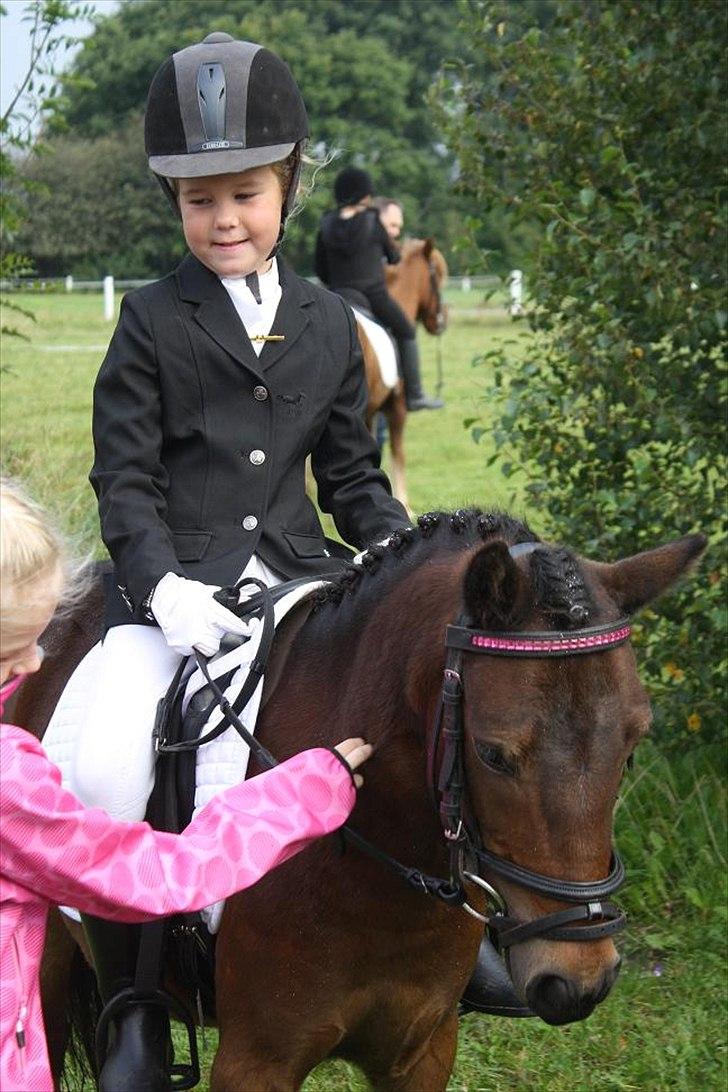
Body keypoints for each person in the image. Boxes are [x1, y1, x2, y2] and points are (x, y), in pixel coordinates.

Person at [49, 30, 411, 1088]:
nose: (223, 220)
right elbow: (124, 480)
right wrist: (162, 589)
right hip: (170, 582)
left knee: (396, 715)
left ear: (286, 190)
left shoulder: (328, 321)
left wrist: (391, 559)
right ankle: (136, 982)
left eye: (244, 195)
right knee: (117, 754)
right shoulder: (150, 319)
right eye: (198, 200)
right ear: (174, 206)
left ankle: (444, 933)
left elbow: (350, 481)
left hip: (299, 570)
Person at [0, 477, 372, 1092]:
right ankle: (134, 998)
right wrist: (298, 794)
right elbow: (157, 874)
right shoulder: (10, 781)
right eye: (13, 649)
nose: (38, 662)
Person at [314, 166, 443, 411]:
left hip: (338, 296)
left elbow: (320, 269)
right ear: (364, 195)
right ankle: (414, 394)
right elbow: (394, 257)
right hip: (372, 295)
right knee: (405, 330)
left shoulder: (326, 223)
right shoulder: (372, 220)